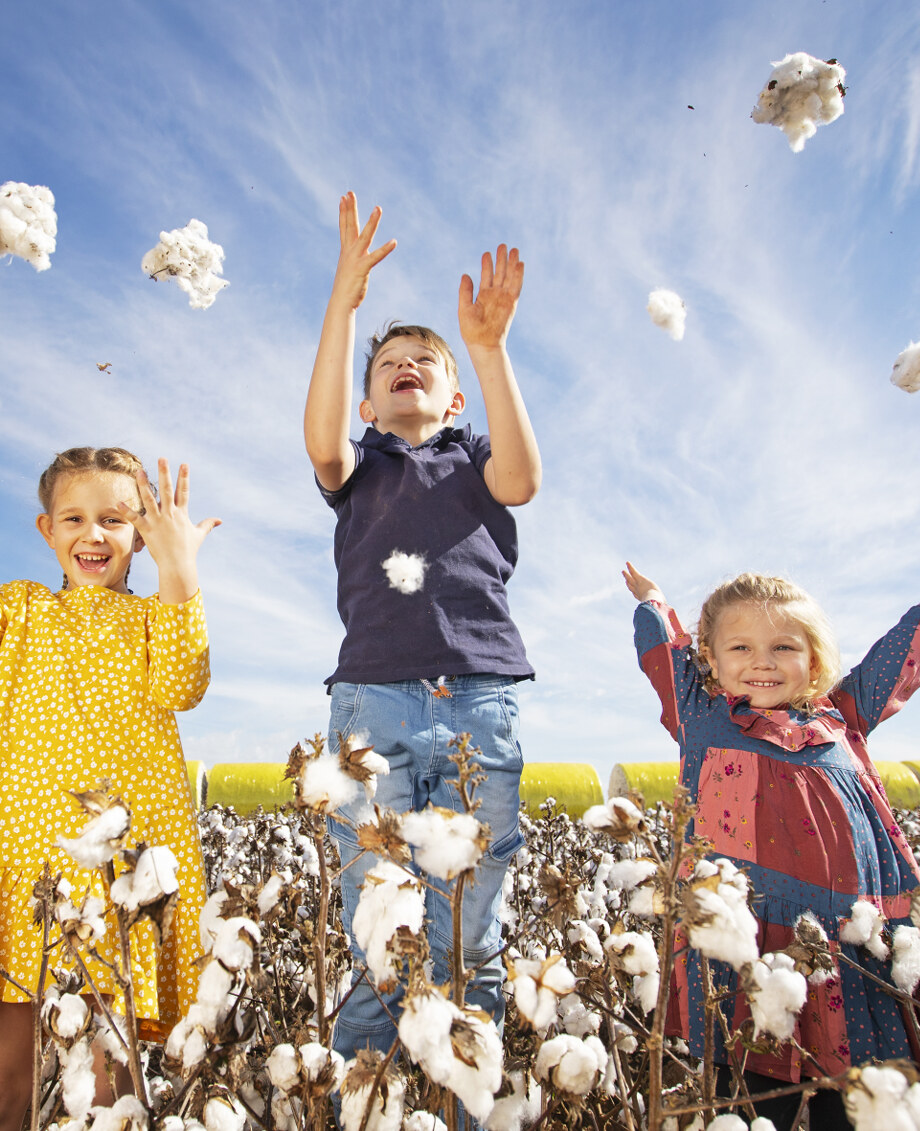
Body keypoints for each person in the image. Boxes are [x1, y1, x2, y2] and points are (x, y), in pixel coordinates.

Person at [0, 400, 218, 1131]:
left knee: (109, 1078)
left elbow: (183, 685)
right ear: (46, 530)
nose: (92, 534)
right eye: (72, 518)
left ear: (142, 534)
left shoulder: (158, 614)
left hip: (121, 877)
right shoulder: (21, 607)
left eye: (114, 520)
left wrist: (180, 570)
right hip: (18, 873)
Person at [620, 561, 920, 1130]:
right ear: (710, 660)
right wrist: (652, 599)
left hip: (847, 941)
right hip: (749, 940)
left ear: (814, 660)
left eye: (783, 646)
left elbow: (894, 665)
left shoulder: (841, 718)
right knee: (752, 1096)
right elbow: (663, 652)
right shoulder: (701, 715)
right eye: (741, 648)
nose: (762, 661)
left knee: (851, 1096)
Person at [302, 194, 541, 1062]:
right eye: (389, 363)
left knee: (466, 939)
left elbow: (522, 480)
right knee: (379, 933)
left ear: (450, 397)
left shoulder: (475, 458)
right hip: (370, 708)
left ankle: (462, 1096)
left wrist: (486, 348)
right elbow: (319, 438)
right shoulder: (357, 467)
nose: (407, 366)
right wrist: (344, 301)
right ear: (368, 403)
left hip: (480, 703)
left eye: (424, 362)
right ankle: (366, 1099)